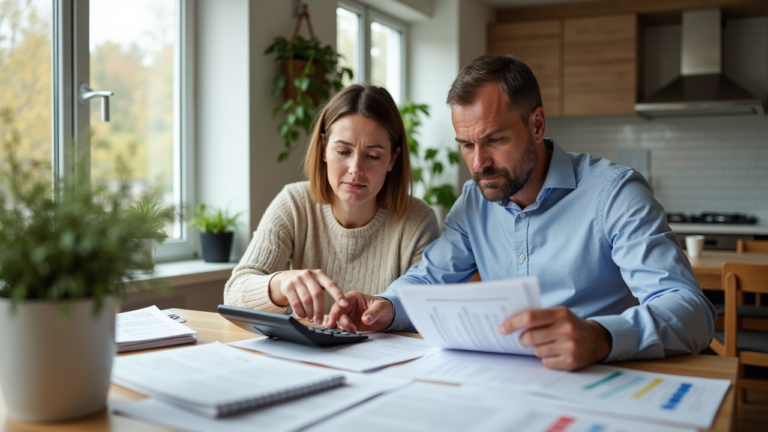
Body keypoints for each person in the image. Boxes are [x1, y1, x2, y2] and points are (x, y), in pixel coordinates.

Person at [328, 55, 716, 371]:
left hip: (603, 380)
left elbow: (692, 311)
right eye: (466, 145)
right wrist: (386, 306)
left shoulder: (614, 194)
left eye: (495, 140)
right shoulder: (474, 202)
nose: (478, 163)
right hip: (508, 383)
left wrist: (601, 337)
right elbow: (430, 277)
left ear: (536, 124)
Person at [224, 85, 439, 326]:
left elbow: (430, 308)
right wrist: (279, 284)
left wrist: (380, 318)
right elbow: (233, 294)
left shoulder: (418, 220)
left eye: (373, 156)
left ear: (393, 159)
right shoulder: (294, 204)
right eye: (343, 151)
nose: (355, 169)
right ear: (324, 148)